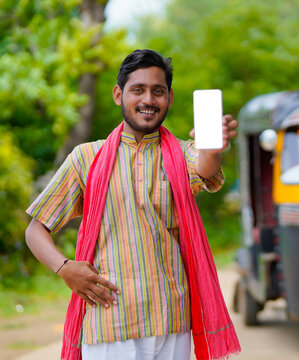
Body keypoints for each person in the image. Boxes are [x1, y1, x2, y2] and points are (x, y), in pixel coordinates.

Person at [25, 49, 241, 360]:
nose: (148, 99)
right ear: (118, 94)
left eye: (158, 91)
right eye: (137, 89)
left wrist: (212, 145)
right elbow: (36, 230)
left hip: (171, 319)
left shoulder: (182, 154)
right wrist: (65, 268)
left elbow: (205, 165)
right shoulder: (87, 158)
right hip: (108, 321)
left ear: (169, 97)